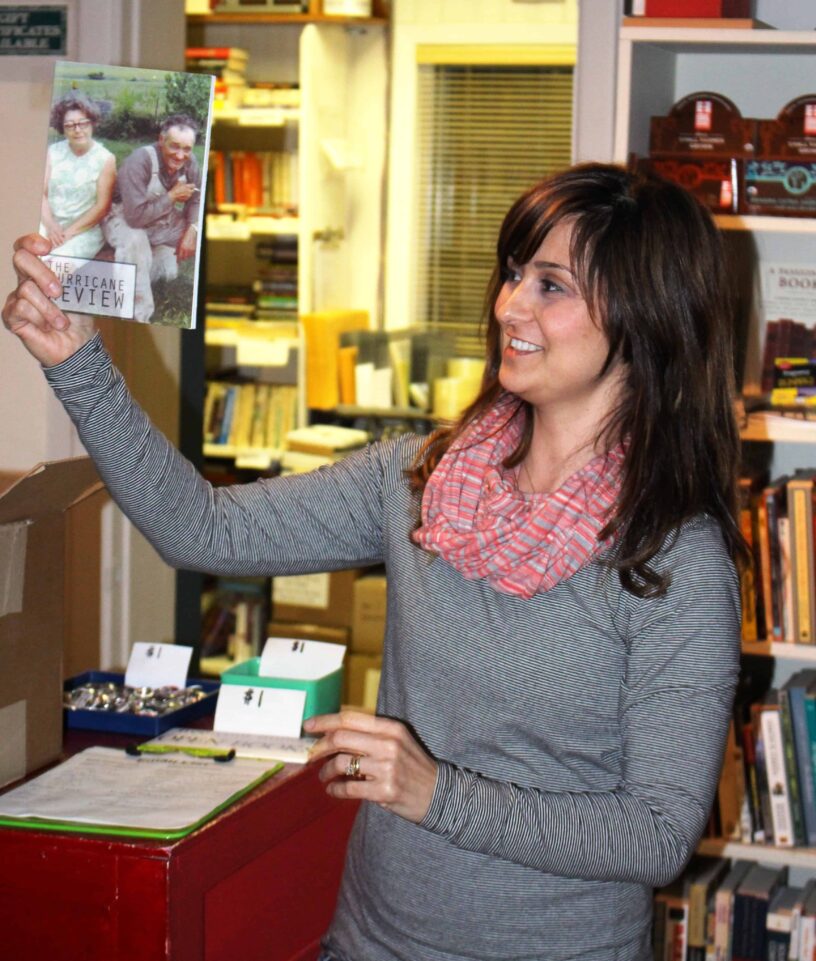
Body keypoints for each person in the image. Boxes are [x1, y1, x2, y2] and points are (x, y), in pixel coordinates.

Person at [3, 162, 744, 961]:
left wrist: (437, 793)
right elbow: (203, 531)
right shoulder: (421, 479)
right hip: (369, 944)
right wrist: (75, 361)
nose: (508, 305)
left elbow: (657, 834)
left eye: (551, 286)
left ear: (645, 321)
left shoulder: (674, 559)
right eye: (514, 272)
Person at [101, 113, 201, 323]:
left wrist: (192, 230)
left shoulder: (191, 162)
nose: (180, 155)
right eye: (174, 146)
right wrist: (172, 196)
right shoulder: (140, 160)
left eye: (186, 149)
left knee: (201, 238)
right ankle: (137, 317)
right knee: (135, 240)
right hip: (123, 217)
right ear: (161, 140)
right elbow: (135, 217)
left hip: (159, 218)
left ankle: (141, 266)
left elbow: (197, 199)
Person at [39, 93, 116, 259]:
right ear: (62, 128)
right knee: (30, 253)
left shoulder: (105, 159)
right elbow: (41, 193)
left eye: (83, 123)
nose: (77, 130)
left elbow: (102, 207)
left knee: (55, 265)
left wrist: (67, 234)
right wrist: (51, 226)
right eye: (70, 125)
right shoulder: (52, 152)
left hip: (83, 230)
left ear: (92, 124)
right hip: (49, 222)